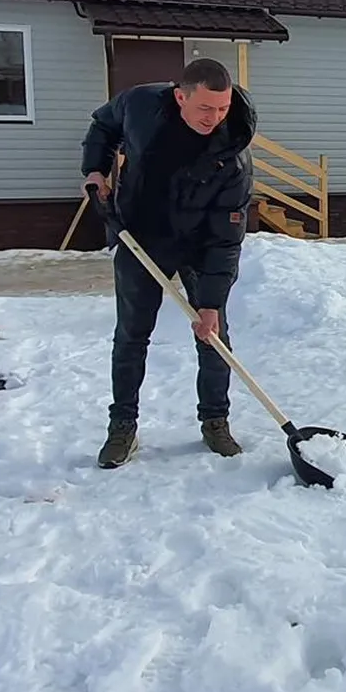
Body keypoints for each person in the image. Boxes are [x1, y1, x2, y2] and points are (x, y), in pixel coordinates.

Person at [81, 57, 257, 468]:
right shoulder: (140, 106)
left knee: (214, 336)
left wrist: (210, 303)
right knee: (131, 334)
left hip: (199, 244)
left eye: (223, 108)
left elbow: (226, 240)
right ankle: (122, 426)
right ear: (181, 97)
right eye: (205, 108)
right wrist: (95, 170)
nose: (214, 118)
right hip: (140, 233)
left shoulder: (232, 158)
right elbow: (102, 126)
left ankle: (215, 420)